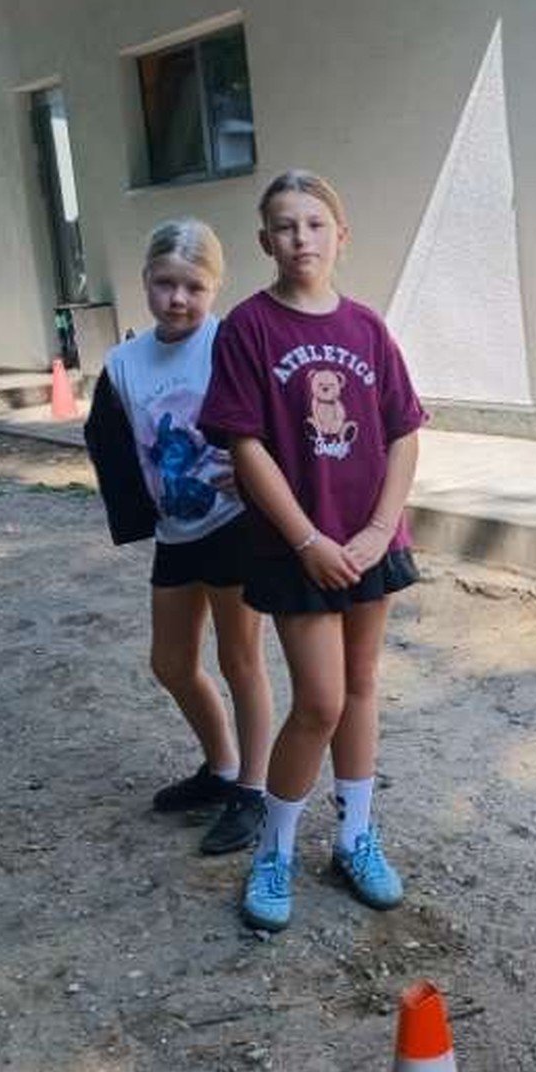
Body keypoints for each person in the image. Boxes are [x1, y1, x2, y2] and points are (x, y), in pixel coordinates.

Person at [199, 171, 425, 931]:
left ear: (341, 235)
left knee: (360, 686)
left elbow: (403, 433)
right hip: (296, 547)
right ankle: (276, 850)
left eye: (315, 223)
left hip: (369, 540)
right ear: (265, 241)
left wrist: (377, 531)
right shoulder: (249, 328)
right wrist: (307, 539)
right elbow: (246, 445)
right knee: (320, 701)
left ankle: (355, 838)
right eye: (286, 226)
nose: (302, 238)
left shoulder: (367, 328)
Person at [84, 219, 275, 855]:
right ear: (145, 280)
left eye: (194, 286)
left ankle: (253, 788)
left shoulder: (231, 343)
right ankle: (221, 767)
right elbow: (113, 444)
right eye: (165, 283)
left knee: (240, 659)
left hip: (233, 526)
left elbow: (277, 420)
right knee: (170, 661)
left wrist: (259, 475)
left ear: (216, 286)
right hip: (177, 531)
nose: (177, 299)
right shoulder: (123, 364)